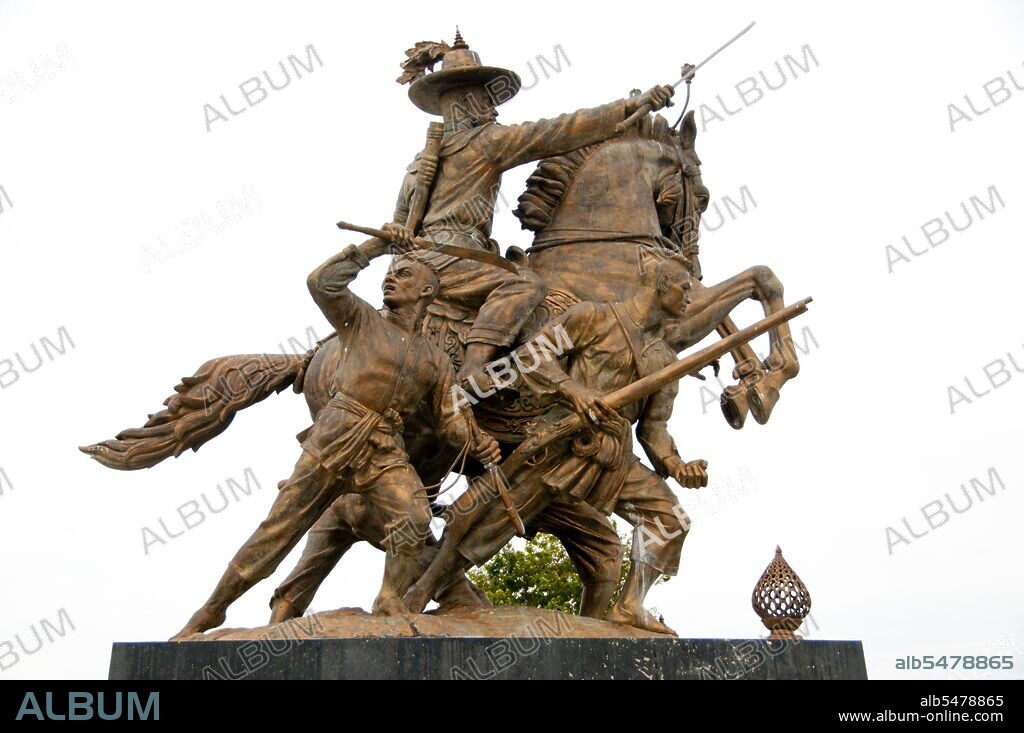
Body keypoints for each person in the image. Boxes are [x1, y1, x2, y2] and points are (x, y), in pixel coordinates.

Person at [172, 240, 500, 638]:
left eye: (404, 274)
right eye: (390, 273)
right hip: (336, 432)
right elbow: (321, 283)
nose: (390, 278)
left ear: (428, 291)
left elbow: (449, 420)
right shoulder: (361, 320)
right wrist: (375, 248)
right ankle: (210, 613)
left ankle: (389, 596)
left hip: (382, 444)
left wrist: (477, 440)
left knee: (413, 516)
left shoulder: (434, 360)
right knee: (278, 530)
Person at [405, 253, 708, 635]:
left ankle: (630, 606)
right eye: (685, 288)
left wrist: (677, 465)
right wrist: (572, 389)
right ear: (661, 285)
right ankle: (416, 596)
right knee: (486, 524)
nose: (690, 298)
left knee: (670, 519)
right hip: (560, 441)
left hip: (613, 455)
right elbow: (531, 357)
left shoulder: (664, 358)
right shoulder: (593, 318)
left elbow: (655, 429)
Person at [379, 30, 675, 377]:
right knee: (526, 284)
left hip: (426, 258)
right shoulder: (484, 143)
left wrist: (398, 233)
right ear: (462, 101)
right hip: (451, 256)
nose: (491, 107)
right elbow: (555, 132)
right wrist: (624, 109)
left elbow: (398, 222)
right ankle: (473, 369)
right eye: (483, 97)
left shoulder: (424, 158)